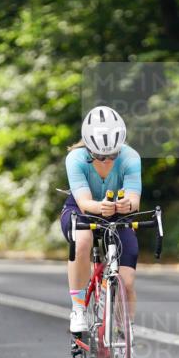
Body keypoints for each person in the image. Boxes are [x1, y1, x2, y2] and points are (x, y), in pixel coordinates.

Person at [60, 105, 141, 335]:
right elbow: (85, 202)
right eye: (99, 156)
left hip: (117, 212)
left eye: (113, 155)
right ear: (88, 147)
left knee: (127, 281)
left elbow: (134, 199)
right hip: (81, 210)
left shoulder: (131, 157)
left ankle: (125, 336)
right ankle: (78, 308)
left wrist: (127, 205)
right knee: (83, 240)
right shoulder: (75, 158)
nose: (106, 161)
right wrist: (100, 207)